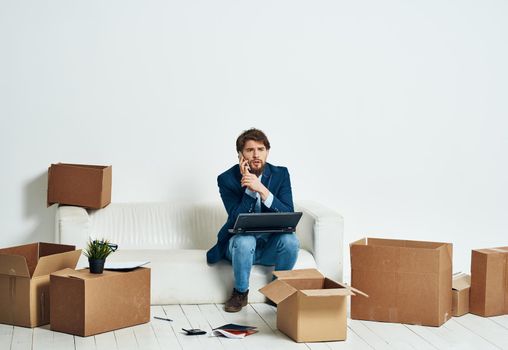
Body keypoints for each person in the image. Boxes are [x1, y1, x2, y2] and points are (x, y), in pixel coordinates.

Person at [206, 128, 300, 312]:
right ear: (240, 155)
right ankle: (240, 293)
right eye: (250, 150)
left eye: (261, 149)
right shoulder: (226, 179)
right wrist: (249, 189)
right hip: (238, 247)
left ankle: (277, 291)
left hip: (268, 247)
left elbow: (288, 212)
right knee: (244, 240)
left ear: (267, 152)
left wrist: (262, 190)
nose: (256, 154)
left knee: (291, 240)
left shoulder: (281, 174)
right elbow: (234, 219)